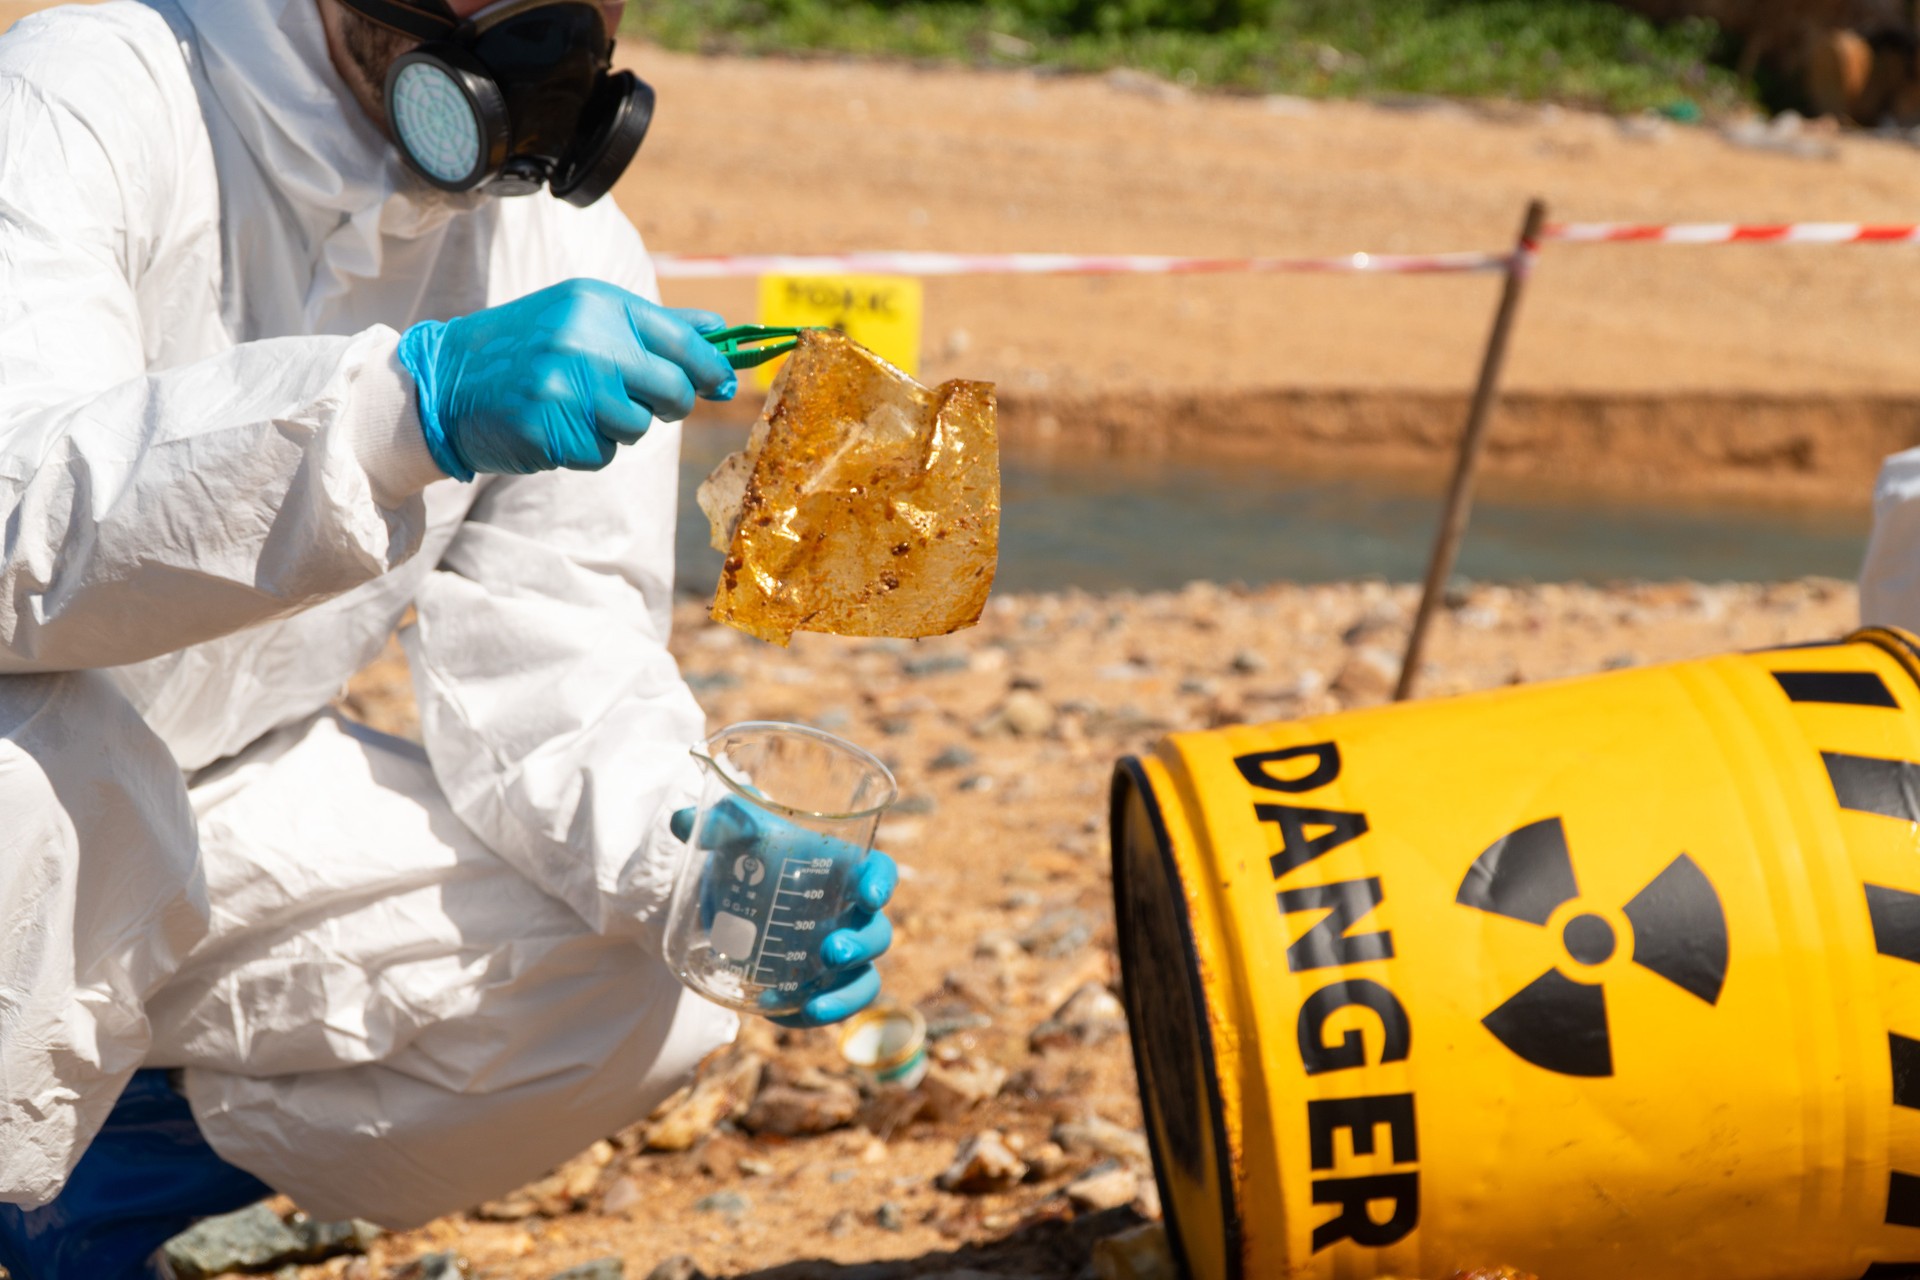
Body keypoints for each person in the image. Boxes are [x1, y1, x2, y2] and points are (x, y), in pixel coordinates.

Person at [0, 2, 898, 1276]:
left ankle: (73, 1200)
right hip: (20, 761)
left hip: (221, 772)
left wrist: (687, 851)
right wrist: (394, 411)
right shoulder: (81, 98)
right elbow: (13, 520)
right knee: (32, 786)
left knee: (637, 981)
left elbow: (557, 643)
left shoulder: (550, 241)